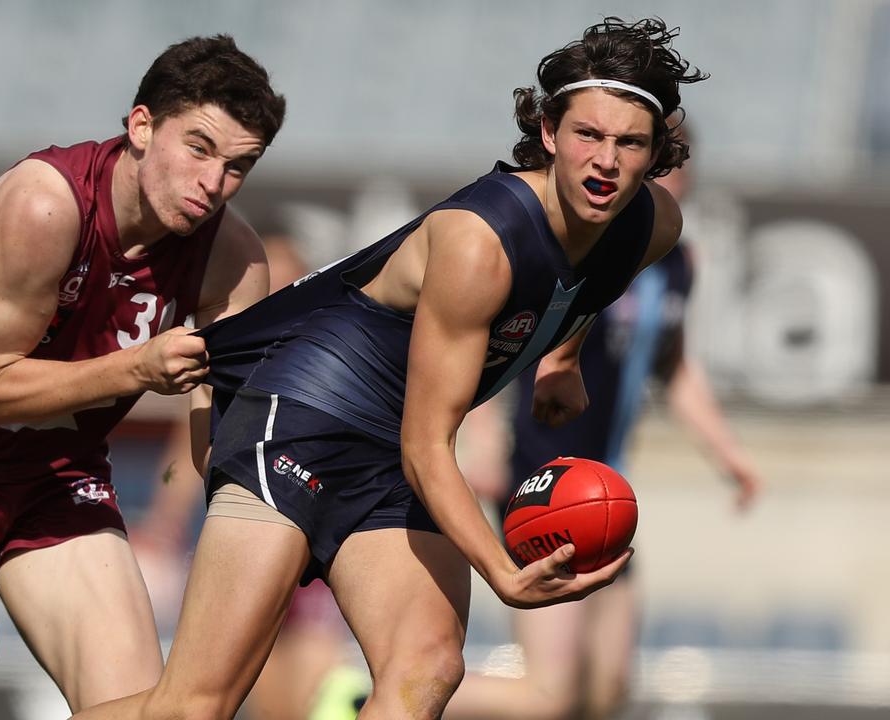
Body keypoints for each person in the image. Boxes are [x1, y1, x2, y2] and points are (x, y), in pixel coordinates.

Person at [72, 16, 707, 720]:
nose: (606, 163)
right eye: (588, 135)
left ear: (655, 157)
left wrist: (563, 355)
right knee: (195, 707)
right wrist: (503, 571)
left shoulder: (654, 226)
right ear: (550, 133)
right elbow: (427, 445)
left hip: (389, 450)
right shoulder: (481, 242)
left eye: (630, 144)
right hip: (301, 419)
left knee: (428, 668)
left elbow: (593, 276)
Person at [0, 35, 286, 719]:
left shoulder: (232, 259)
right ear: (141, 127)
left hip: (57, 478)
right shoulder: (45, 205)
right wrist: (136, 366)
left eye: (238, 167)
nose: (214, 185)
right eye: (198, 148)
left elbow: (221, 437)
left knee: (145, 711)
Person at [442, 123, 762, 720]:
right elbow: (488, 337)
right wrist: (481, 439)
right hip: (545, 482)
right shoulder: (575, 244)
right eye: (657, 165)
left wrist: (727, 454)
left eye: (674, 164)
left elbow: (676, 366)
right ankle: (364, 695)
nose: (669, 180)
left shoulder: (675, 263)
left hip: (608, 489)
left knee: (606, 690)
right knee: (548, 697)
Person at [130, 234, 358, 720]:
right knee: (252, 699)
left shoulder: (331, 346)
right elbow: (189, 453)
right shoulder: (226, 355)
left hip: (314, 539)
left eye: (287, 281)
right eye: (266, 284)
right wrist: (164, 519)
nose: (275, 291)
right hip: (247, 534)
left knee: (315, 694)